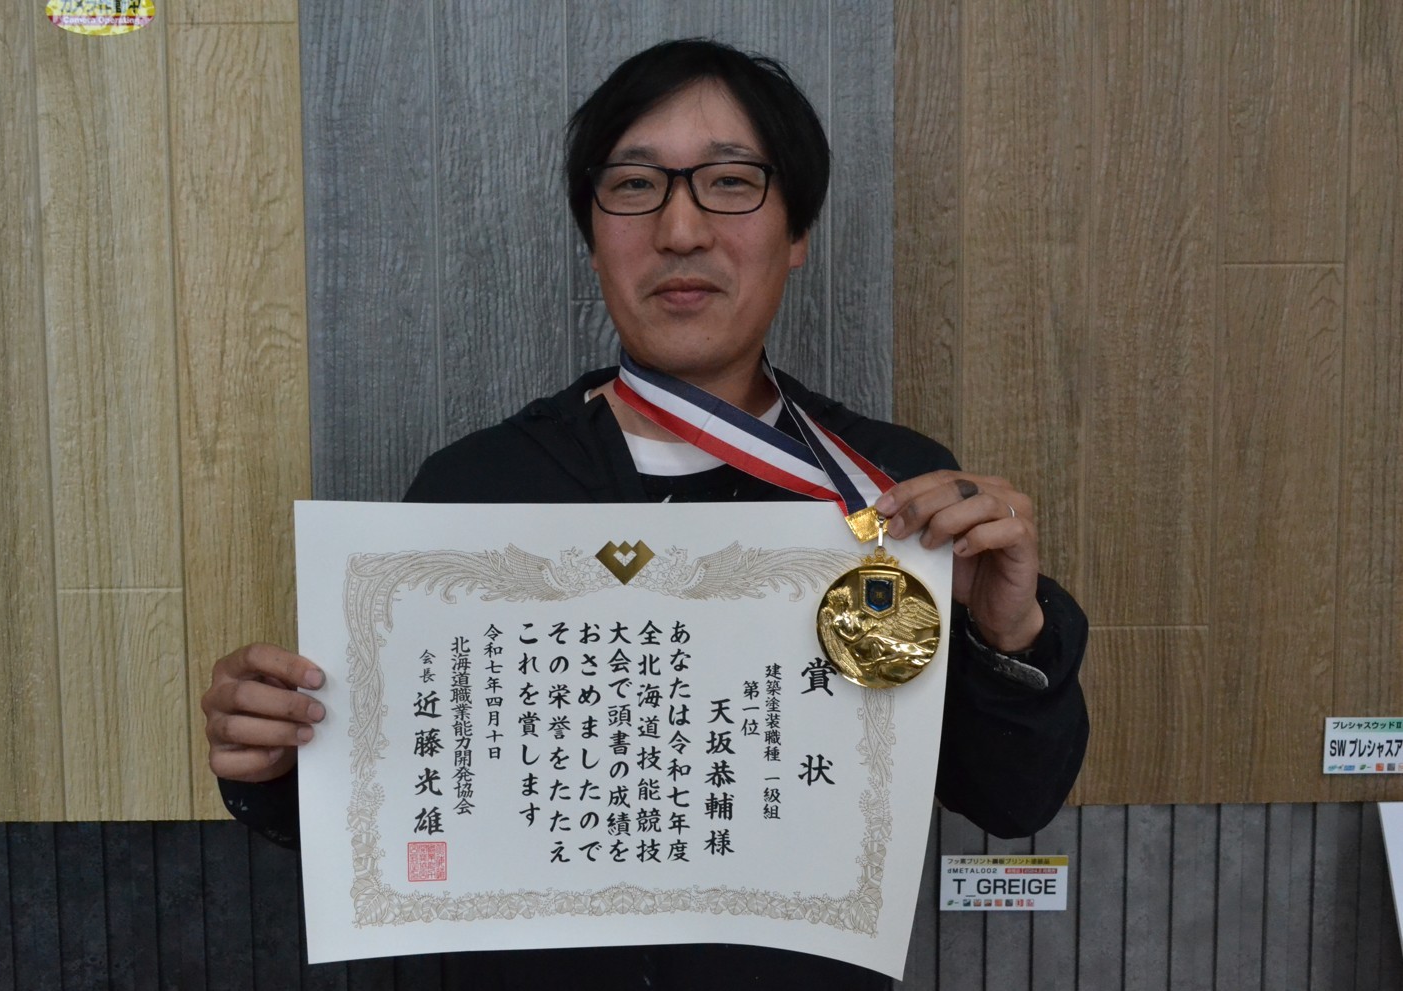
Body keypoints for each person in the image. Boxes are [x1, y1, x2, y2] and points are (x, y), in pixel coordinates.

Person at [202, 38, 1088, 989]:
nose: (680, 229)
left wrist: (1009, 635)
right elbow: (407, 799)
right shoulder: (476, 488)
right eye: (634, 185)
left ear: (798, 231)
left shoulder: (891, 496)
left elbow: (1012, 798)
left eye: (731, 182)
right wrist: (275, 755)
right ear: (593, 235)